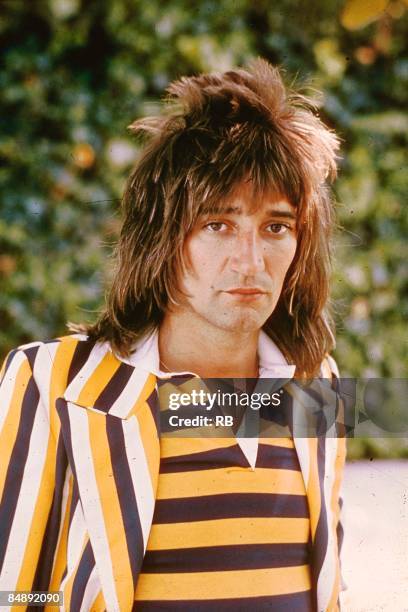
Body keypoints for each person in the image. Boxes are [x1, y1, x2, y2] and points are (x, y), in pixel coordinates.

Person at [0, 59, 346, 611]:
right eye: (218, 225)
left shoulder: (314, 385)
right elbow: (13, 590)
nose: (250, 261)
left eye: (276, 227)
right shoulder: (56, 381)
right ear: (162, 236)